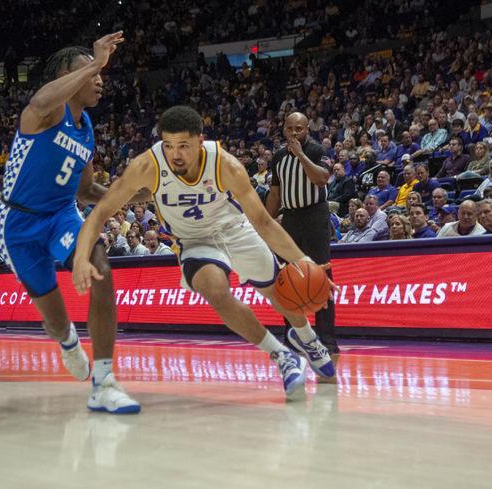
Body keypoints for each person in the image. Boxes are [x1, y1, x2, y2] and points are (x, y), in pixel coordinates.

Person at [73, 105, 337, 400]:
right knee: (214, 289)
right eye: (169, 145)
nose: (175, 154)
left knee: (280, 291)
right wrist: (82, 257)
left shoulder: (225, 164)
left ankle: (308, 338)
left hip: (234, 229)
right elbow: (101, 212)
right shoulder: (146, 166)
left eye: (183, 146)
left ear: (200, 141)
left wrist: (303, 261)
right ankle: (282, 356)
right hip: (193, 240)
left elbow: (263, 221)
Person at [0, 32, 142, 414]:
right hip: (18, 223)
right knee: (56, 322)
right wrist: (96, 60)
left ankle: (104, 381)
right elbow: (40, 98)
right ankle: (69, 341)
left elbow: (87, 190)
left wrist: (134, 194)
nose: (99, 78)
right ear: (65, 76)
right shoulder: (43, 113)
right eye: (89, 73)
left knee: (102, 269)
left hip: (61, 215)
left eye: (100, 74)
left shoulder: (86, 127)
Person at [265, 112, 339, 356]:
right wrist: (264, 223)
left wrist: (301, 155)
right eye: (289, 128)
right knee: (288, 278)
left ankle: (327, 339)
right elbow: (275, 194)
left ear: (307, 128)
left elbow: (322, 178)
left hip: (315, 217)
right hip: (291, 219)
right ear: (284, 129)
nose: (294, 133)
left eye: (299, 128)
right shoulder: (277, 157)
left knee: (321, 276)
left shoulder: (317, 150)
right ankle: (294, 336)